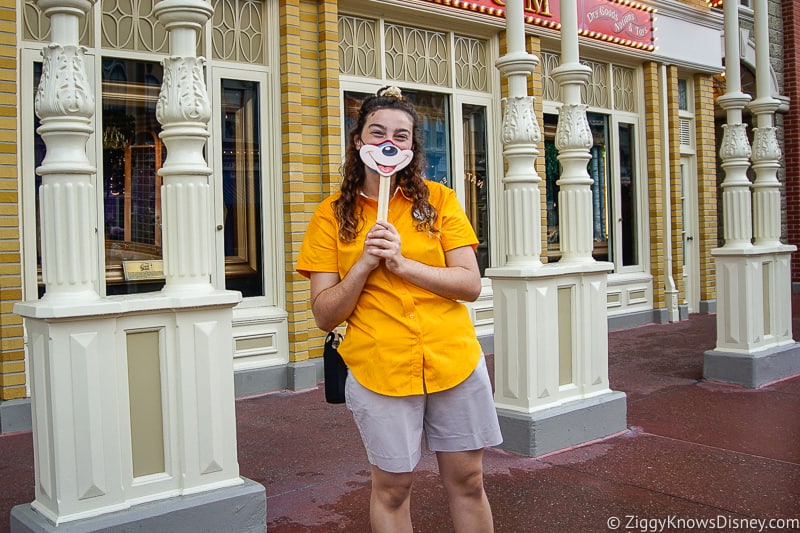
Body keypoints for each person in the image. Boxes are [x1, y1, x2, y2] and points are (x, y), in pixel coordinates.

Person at [296, 86, 502, 533]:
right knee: (392, 489)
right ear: (358, 141)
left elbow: (469, 284)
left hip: (454, 361)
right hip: (379, 368)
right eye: (378, 132)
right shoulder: (331, 217)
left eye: (402, 135)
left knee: (468, 480)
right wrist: (365, 265)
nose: (389, 142)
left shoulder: (440, 201)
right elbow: (324, 314)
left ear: (411, 147)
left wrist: (402, 264)